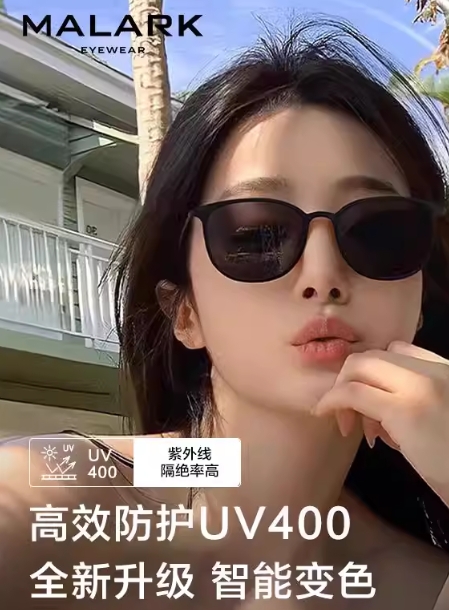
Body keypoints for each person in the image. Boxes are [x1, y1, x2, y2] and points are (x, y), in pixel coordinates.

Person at [1, 15, 449, 609]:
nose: (323, 276)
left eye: (377, 231)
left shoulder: (426, 586)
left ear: (419, 301)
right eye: (256, 233)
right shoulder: (43, 496)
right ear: (183, 312)